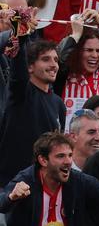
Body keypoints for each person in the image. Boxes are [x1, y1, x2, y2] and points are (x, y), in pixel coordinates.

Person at [0, 37, 64, 185]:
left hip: (42, 185)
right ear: (30, 67)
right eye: (46, 59)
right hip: (10, 184)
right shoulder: (21, 92)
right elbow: (18, 73)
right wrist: (21, 35)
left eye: (55, 60)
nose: (53, 65)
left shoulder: (58, 103)